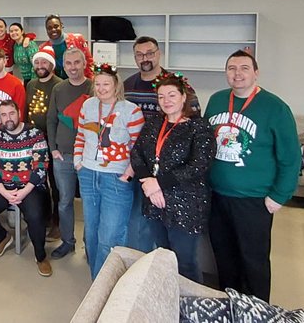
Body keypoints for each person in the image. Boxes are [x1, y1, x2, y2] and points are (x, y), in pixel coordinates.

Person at [205, 50, 300, 302]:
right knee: (224, 258)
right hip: (217, 195)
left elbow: (290, 158)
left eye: (244, 68)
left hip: (254, 199)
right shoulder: (216, 100)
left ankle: (258, 311)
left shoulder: (275, 108)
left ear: (256, 73)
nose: (238, 74)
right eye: (232, 68)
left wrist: (279, 195)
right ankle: (229, 307)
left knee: (253, 261)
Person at [130, 73, 214, 283]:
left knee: (185, 262)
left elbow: (199, 164)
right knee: (162, 256)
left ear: (183, 97)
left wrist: (158, 184)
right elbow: (137, 153)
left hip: (185, 205)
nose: (166, 101)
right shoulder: (154, 124)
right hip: (154, 201)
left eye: (171, 95)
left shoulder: (199, 127)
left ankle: (190, 307)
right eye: (160, 96)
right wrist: (148, 183)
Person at [121, 37, 201, 252]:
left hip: (171, 172)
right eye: (139, 54)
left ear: (159, 53)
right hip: (138, 165)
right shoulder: (127, 86)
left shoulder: (177, 85)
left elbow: (193, 130)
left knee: (166, 230)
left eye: (149, 53)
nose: (145, 58)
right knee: (138, 220)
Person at [74, 64, 144, 280]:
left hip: (116, 178)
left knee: (110, 236)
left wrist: (128, 174)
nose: (101, 88)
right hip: (88, 174)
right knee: (92, 234)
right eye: (98, 84)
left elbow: (139, 148)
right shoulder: (88, 105)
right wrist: (78, 162)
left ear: (116, 86)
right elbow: (81, 136)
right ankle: (98, 280)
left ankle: (104, 285)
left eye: (106, 84)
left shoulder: (131, 110)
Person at [0, 100, 52, 277]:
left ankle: (40, 256)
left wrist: (23, 192)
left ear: (19, 112)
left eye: (11, 113)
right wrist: (5, 192)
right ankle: (2, 238)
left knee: (35, 217)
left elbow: (41, 166)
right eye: (3, 115)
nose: (8, 118)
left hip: (30, 187)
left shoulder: (34, 134)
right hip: (5, 186)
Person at [44, 48, 92, 259]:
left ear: (84, 64)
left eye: (76, 63)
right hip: (63, 156)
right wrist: (53, 149)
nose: (73, 67)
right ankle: (67, 242)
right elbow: (51, 120)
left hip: (89, 158)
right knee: (64, 202)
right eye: (69, 63)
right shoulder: (58, 89)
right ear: (64, 65)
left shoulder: (94, 87)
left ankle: (90, 246)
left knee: (90, 204)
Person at [24, 50, 62, 241]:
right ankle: (45, 217)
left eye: (44, 62)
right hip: (33, 141)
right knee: (39, 182)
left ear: (52, 65)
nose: (40, 66)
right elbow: (25, 111)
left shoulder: (60, 86)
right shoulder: (30, 85)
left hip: (53, 140)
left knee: (56, 184)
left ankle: (58, 223)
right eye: (37, 62)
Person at [42, 15, 93, 79]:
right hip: (56, 85)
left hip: (79, 82)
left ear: (61, 26)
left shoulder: (77, 39)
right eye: (49, 28)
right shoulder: (43, 48)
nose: (53, 29)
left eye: (56, 26)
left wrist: (89, 82)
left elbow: (89, 62)